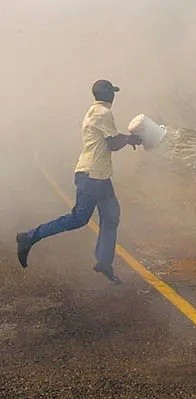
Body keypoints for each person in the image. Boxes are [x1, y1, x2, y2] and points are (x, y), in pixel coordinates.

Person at [16, 79, 142, 284]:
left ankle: (103, 262)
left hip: (98, 175)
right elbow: (112, 143)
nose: (114, 97)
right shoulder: (104, 113)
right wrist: (130, 139)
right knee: (78, 218)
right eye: (113, 93)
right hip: (92, 176)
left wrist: (128, 139)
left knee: (111, 215)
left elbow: (112, 140)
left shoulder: (94, 112)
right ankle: (29, 237)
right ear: (110, 95)